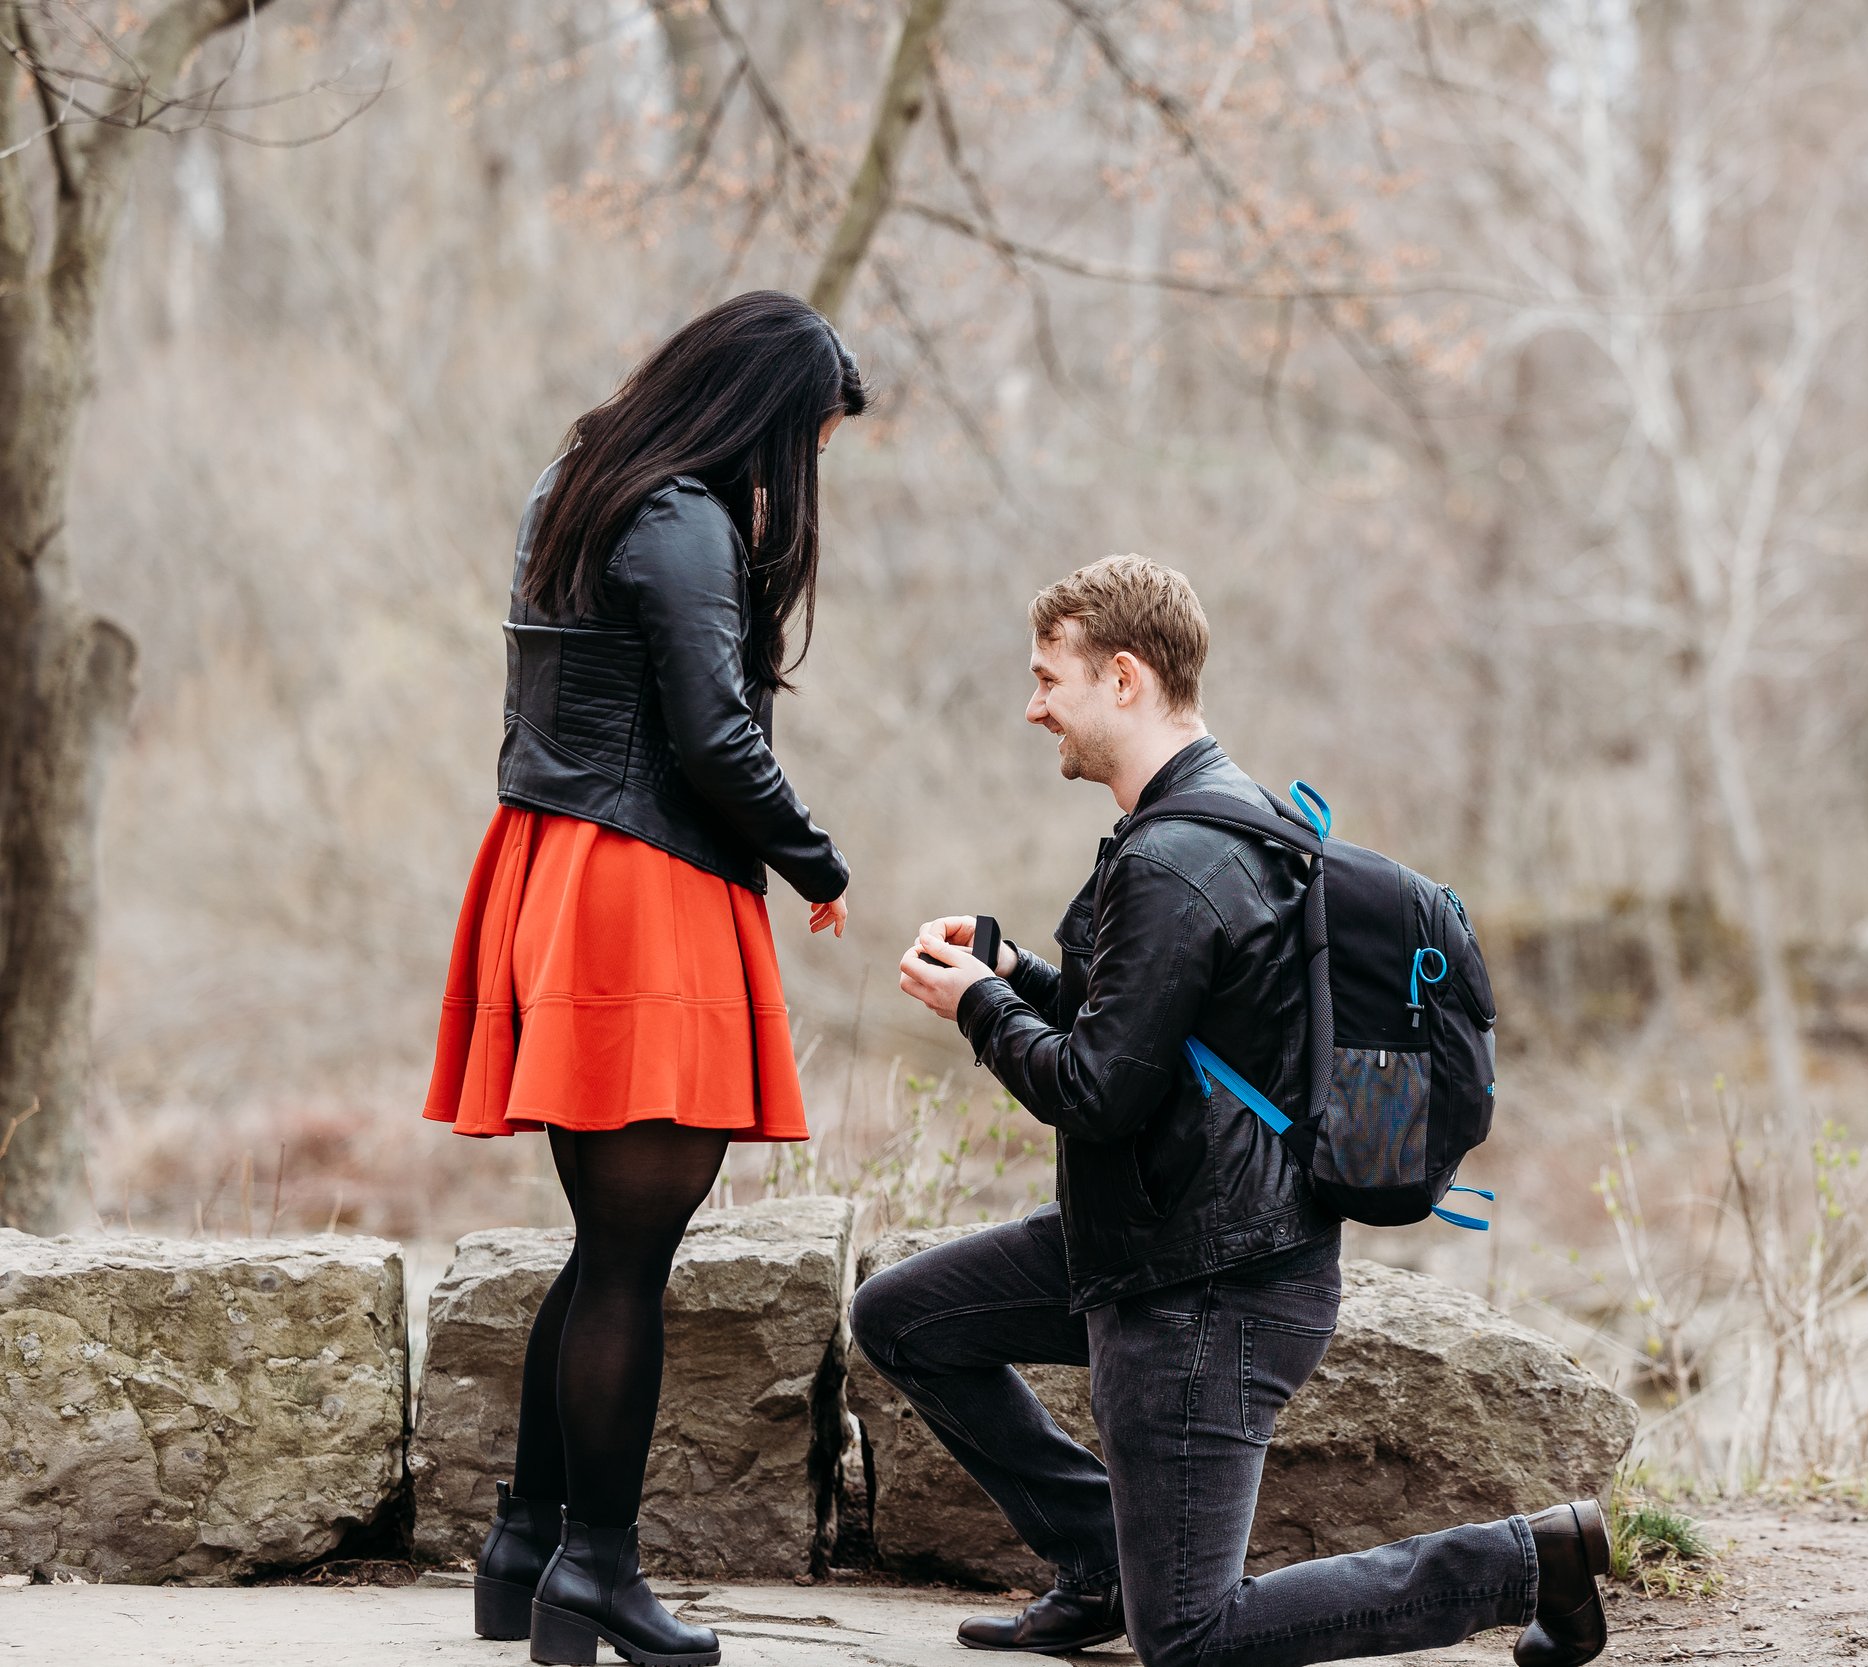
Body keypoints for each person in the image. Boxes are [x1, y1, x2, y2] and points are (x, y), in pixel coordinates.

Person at [867, 555, 1610, 1667]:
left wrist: (976, 1008)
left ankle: (1524, 1558)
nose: (1032, 706)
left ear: (1123, 677)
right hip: (1159, 1240)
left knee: (1194, 1635)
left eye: (1046, 678)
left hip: (1208, 1286)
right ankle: (1098, 1554)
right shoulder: (1220, 819)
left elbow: (1099, 1090)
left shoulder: (1176, 856)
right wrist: (1017, 970)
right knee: (905, 1317)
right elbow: (1159, 1034)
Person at [423, 290, 864, 1667]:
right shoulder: (677, 520)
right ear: (759, 413)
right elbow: (714, 735)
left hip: (560, 863)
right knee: (629, 1253)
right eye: (807, 442)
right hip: (641, 885)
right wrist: (820, 862)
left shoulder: (580, 482)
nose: (803, 476)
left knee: (606, 1242)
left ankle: (525, 1547)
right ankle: (596, 1574)